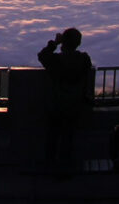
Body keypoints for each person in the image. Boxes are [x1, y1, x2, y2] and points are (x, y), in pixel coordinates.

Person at [38, 27, 93, 173]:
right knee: (68, 137)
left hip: (57, 105)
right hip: (75, 105)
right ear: (78, 43)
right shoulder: (84, 59)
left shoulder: (56, 60)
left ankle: (50, 167)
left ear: (64, 42)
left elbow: (42, 56)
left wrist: (55, 43)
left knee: (53, 137)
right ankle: (66, 167)